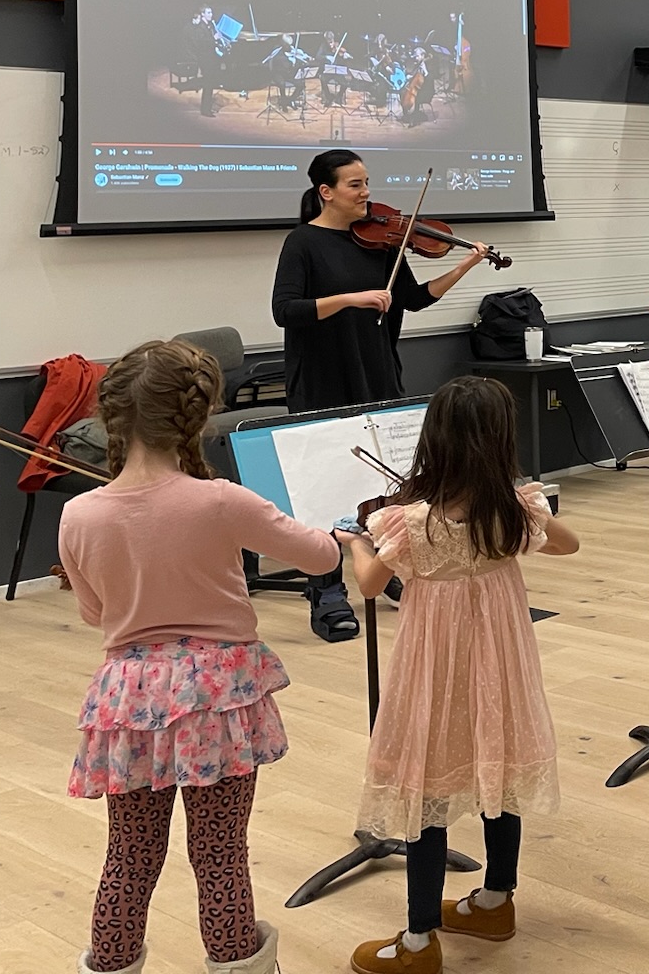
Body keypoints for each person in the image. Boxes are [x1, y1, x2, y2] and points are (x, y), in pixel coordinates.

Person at [58, 339, 344, 974]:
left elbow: (94, 614)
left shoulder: (78, 514)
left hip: (128, 697)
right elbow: (322, 556)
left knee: (129, 857)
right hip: (215, 697)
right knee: (220, 856)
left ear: (112, 417)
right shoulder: (221, 500)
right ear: (196, 416)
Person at [337, 376, 578, 971]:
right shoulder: (514, 509)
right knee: (500, 765)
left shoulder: (412, 521)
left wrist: (355, 544)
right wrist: (527, 518)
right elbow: (567, 545)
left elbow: (369, 586)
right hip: (501, 662)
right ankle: (495, 900)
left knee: (428, 783)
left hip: (436, 666)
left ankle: (418, 941)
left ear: (435, 439)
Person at [271, 149, 491, 642]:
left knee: (382, 485)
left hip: (377, 371)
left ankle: (384, 567)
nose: (366, 192)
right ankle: (326, 590)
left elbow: (413, 299)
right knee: (326, 487)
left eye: (366, 181)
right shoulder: (303, 242)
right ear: (326, 192)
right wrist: (351, 299)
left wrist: (467, 264)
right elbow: (285, 310)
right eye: (355, 184)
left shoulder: (383, 243)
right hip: (322, 378)